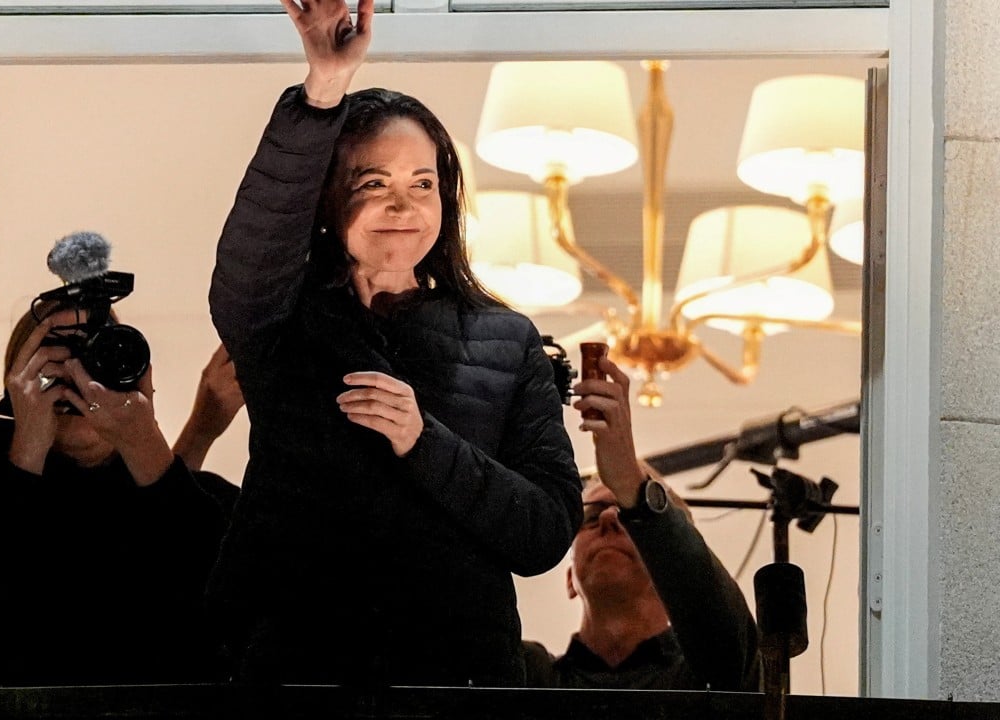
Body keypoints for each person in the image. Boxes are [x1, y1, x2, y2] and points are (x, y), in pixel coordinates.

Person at [206, 0, 581, 687]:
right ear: (327, 199)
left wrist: (424, 441)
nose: (402, 206)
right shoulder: (280, 320)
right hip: (297, 673)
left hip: (460, 681)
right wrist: (322, 91)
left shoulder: (507, 339)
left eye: (422, 184)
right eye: (372, 183)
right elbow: (253, 249)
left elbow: (545, 532)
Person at [0, 299, 244, 687]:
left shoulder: (202, 501)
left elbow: (221, 608)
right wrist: (26, 447)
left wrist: (144, 440)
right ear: (18, 384)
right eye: (55, 358)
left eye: (94, 356)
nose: (77, 377)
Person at [523, 356, 760, 691]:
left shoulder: (708, 679)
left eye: (626, 513)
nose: (608, 518)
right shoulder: (529, 679)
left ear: (670, 573)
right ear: (570, 579)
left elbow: (730, 646)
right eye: (591, 517)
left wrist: (631, 483)